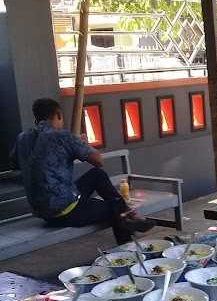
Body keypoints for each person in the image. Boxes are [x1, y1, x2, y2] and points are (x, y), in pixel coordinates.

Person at [10, 98, 153, 245]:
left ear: (36, 117)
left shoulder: (22, 138)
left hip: (42, 210)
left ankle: (128, 215)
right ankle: (127, 249)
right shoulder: (62, 136)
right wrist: (82, 144)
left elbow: (15, 164)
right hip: (64, 212)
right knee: (115, 209)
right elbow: (98, 161)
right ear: (58, 114)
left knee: (97, 175)